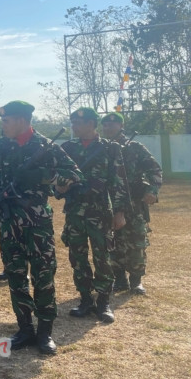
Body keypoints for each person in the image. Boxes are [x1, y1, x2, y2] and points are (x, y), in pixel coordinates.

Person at [0, 101, 82, 355]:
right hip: (8, 222)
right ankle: (25, 328)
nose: (2, 125)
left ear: (21, 120)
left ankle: (45, 331)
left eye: (6, 121)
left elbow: (73, 174)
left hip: (36, 223)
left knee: (43, 276)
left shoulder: (45, 146)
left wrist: (43, 177)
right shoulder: (2, 147)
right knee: (16, 276)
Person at [57, 107, 127, 324]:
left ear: (90, 124)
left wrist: (120, 212)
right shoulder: (67, 148)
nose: (73, 127)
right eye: (72, 123)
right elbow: (56, 177)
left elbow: (118, 182)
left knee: (102, 257)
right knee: (77, 258)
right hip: (75, 212)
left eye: (78, 123)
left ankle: (103, 301)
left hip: (100, 212)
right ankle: (85, 299)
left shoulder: (110, 148)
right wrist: (61, 186)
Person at [100, 112, 162, 295]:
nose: (108, 128)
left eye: (112, 125)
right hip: (109, 203)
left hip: (134, 203)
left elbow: (155, 169)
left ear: (121, 126)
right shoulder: (101, 148)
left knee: (136, 242)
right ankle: (119, 280)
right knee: (113, 241)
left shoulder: (134, 147)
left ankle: (136, 281)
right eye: (105, 125)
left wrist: (152, 190)